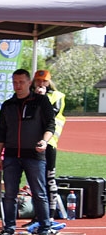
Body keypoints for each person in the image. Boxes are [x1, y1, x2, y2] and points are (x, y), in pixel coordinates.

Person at [0, 69, 56, 235]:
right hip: (12, 155)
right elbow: (2, 132)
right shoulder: (8, 105)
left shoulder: (41, 101)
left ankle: (44, 230)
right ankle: (8, 229)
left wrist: (44, 141)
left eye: (21, 82)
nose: (18, 86)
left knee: (39, 193)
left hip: (34, 155)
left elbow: (50, 125)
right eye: (14, 82)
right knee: (9, 194)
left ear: (30, 83)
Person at [33, 69, 67, 221]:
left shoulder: (57, 96)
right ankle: (38, 214)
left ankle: (50, 216)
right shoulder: (29, 97)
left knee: (49, 178)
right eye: (38, 81)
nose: (41, 83)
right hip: (31, 143)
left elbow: (50, 115)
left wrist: (41, 97)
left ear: (49, 82)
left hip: (49, 144)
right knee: (35, 181)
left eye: (44, 81)